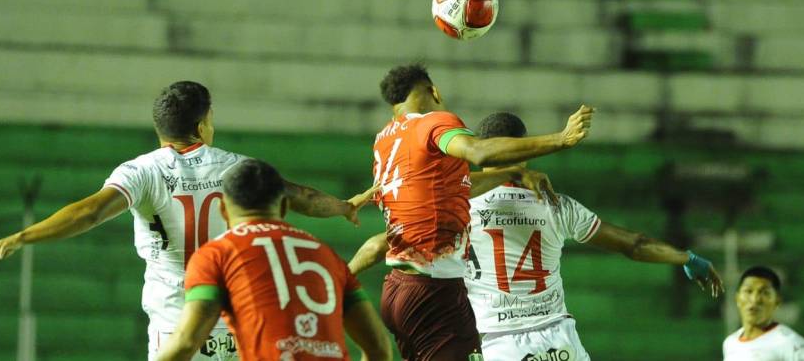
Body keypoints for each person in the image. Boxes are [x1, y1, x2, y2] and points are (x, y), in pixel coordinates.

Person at [0, 81, 370, 360]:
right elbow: (301, 196)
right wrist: (344, 206)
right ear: (201, 127)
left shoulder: (141, 171)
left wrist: (23, 236)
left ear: (159, 129)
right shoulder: (236, 166)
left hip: (174, 323)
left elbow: (90, 212)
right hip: (233, 321)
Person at [350, 63, 594, 360]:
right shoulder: (434, 123)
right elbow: (478, 152)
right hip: (435, 293)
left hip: (398, 291)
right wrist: (561, 139)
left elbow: (449, 186)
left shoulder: (386, 140)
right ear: (433, 91)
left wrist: (512, 174)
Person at [461, 112, 723, 360]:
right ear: (526, 150)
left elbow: (429, 190)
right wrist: (685, 258)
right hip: (560, 340)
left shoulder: (459, 206)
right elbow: (634, 245)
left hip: (499, 344)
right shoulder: (555, 204)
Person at [157, 158, 391, 361]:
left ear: (223, 210)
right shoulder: (326, 254)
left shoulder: (216, 254)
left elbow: (186, 343)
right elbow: (379, 348)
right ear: (282, 207)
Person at [723, 266, 804, 361]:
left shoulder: (791, 343)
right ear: (737, 298)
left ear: (777, 301)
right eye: (748, 291)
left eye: (765, 293)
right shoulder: (730, 343)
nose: (755, 299)